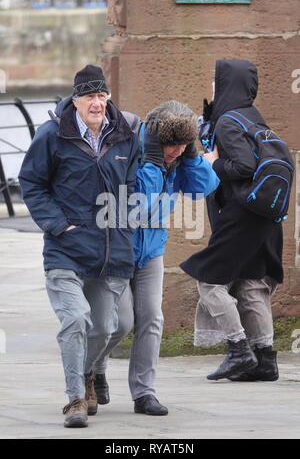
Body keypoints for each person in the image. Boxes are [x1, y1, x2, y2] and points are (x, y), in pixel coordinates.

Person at [18, 65, 139, 428]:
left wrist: (126, 220)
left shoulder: (128, 134)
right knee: (74, 319)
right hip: (65, 248)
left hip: (111, 249)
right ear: (75, 100)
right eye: (89, 96)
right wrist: (58, 225)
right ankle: (74, 399)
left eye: (102, 95)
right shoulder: (52, 135)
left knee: (106, 328)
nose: (97, 102)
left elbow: (131, 183)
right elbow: (31, 183)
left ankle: (87, 372)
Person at [88, 101, 220, 415]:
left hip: (151, 250)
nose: (175, 150)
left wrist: (191, 157)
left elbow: (203, 187)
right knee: (118, 323)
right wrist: (152, 162)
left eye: (182, 145)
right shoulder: (130, 149)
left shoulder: (180, 155)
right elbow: (138, 208)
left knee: (151, 318)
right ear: (156, 139)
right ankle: (92, 369)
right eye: (170, 145)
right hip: (117, 248)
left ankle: (144, 393)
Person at [180, 59, 283, 382]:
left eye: (217, 80)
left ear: (227, 85)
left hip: (241, 216)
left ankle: (239, 351)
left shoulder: (227, 121)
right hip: (264, 216)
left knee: (209, 280)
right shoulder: (253, 117)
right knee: (251, 283)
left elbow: (242, 166)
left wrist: (213, 163)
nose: (212, 86)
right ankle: (265, 359)